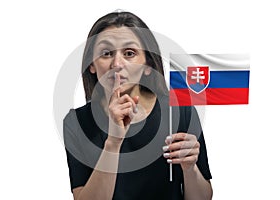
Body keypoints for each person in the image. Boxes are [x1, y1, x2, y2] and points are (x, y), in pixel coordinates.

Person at [63, 11, 213, 200]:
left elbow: (203, 197)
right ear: (91, 64)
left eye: (129, 53)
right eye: (106, 53)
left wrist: (190, 168)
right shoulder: (77, 122)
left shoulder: (181, 110)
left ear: (148, 66)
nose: (117, 64)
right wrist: (113, 143)